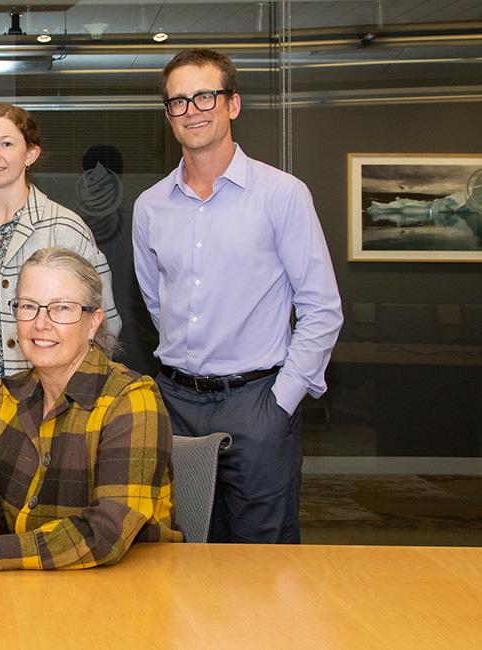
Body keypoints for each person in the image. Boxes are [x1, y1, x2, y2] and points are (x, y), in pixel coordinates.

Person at [132, 49, 343, 543]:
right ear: (168, 114)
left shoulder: (282, 194)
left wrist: (282, 401)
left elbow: (321, 309)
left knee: (261, 560)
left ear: (233, 104)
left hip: (258, 403)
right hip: (176, 403)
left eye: (205, 95)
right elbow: (157, 300)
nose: (193, 110)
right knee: (179, 548)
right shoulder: (150, 207)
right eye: (178, 101)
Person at [0, 247, 180, 574]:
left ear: (94, 322)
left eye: (61, 309)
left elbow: (107, 533)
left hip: (126, 589)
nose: (40, 323)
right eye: (28, 306)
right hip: (28, 587)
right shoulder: (7, 396)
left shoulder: (132, 400)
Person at [0, 103, 122, 497]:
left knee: (35, 506)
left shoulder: (65, 227)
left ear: (31, 153)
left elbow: (105, 326)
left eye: (6, 143)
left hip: (43, 400)